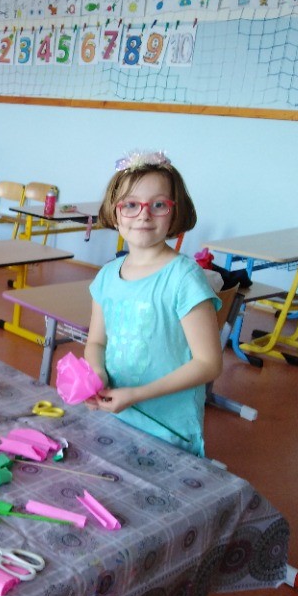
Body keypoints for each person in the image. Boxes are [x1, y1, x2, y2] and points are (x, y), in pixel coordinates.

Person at [82, 151, 222, 456]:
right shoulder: (106, 277)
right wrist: (97, 373)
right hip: (116, 417)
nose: (144, 215)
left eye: (158, 205)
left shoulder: (184, 278)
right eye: (131, 205)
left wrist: (137, 394)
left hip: (167, 430)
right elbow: (96, 342)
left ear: (174, 212)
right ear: (115, 213)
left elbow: (208, 363)